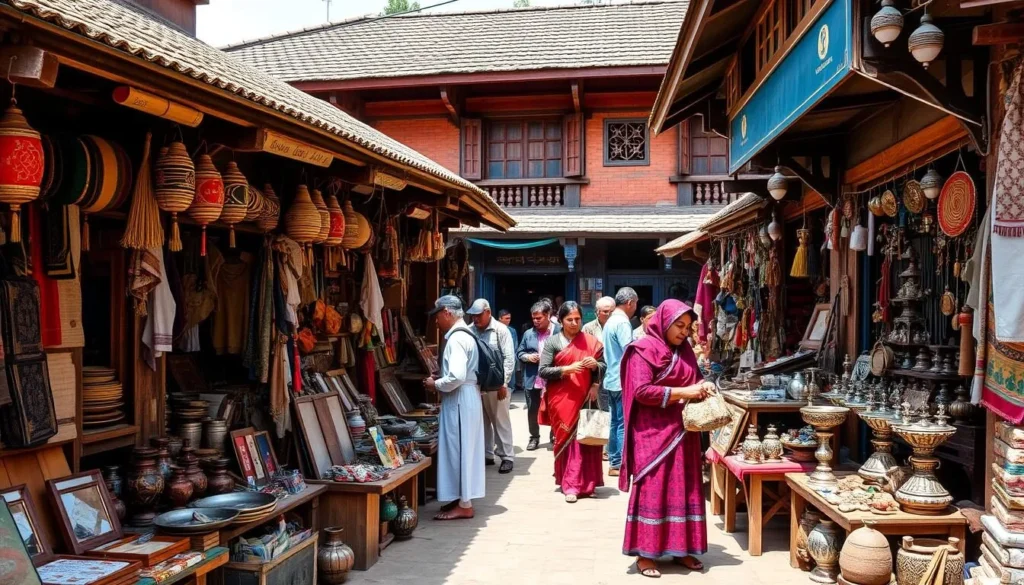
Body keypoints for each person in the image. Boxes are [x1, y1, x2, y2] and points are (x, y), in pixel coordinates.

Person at [619, 300, 714, 577]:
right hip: (652, 435)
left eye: (688, 327)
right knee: (654, 487)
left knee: (683, 487)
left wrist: (704, 385)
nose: (684, 332)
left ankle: (682, 548)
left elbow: (694, 379)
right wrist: (685, 393)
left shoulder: (685, 351)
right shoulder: (643, 350)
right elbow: (642, 391)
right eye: (679, 326)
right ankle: (645, 555)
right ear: (663, 322)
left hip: (683, 432)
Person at [424, 295, 486, 520]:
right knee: (463, 449)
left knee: (459, 449)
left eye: (438, 316)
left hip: (460, 398)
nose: (437, 322)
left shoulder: (457, 339)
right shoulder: (466, 335)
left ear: (447, 313)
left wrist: (436, 383)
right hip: (467, 396)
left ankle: (465, 504)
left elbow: (457, 376)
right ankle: (461, 498)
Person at [538, 301, 606, 503]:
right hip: (562, 398)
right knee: (567, 441)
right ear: (561, 320)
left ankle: (589, 484)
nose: (575, 323)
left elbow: (603, 365)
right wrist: (566, 370)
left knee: (587, 440)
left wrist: (595, 373)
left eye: (577, 319)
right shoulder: (553, 342)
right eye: (570, 319)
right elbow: (543, 371)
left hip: (586, 396)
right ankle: (570, 484)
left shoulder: (591, 341)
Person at [468, 299, 516, 474]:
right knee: (481, 422)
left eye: (478, 315)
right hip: (476, 385)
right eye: (473, 315)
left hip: (497, 386)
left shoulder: (501, 330)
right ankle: (487, 454)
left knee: (500, 421)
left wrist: (504, 383)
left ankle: (507, 457)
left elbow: (509, 359)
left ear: (488, 312)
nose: (475, 319)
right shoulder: (469, 330)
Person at [603, 287, 637, 476]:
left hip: (612, 378)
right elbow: (629, 353)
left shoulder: (610, 321)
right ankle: (621, 463)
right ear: (630, 302)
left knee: (615, 422)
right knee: (623, 422)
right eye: (635, 303)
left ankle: (615, 462)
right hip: (622, 380)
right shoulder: (622, 323)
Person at [517, 301, 560, 451]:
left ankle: (554, 435)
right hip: (533, 378)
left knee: (554, 408)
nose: (535, 321)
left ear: (548, 315)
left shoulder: (559, 332)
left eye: (539, 318)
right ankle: (534, 437)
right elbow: (519, 352)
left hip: (554, 378)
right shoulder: (529, 334)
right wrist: (527, 357)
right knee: (532, 409)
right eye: (533, 318)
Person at [583, 296, 615, 461]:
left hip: (614, 375)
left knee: (611, 412)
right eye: (605, 311)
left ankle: (608, 447)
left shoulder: (618, 325)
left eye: (611, 311)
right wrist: (594, 382)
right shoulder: (588, 328)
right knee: (598, 412)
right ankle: (597, 445)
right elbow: (586, 353)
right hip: (595, 376)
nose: (608, 314)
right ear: (597, 312)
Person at [498, 309, 520, 394]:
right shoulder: (495, 329)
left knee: (511, 383)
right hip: (499, 361)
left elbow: (515, 346)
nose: (508, 320)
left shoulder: (512, 331)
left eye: (509, 318)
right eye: (506, 318)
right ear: (500, 318)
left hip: (510, 360)